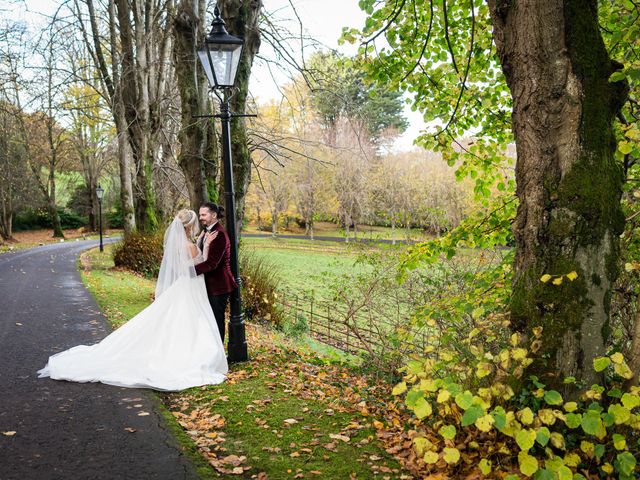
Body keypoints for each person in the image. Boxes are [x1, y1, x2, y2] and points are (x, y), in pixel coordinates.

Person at [37, 209, 228, 391]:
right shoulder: (190, 246)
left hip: (183, 286)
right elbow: (205, 262)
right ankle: (188, 354)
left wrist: (203, 240)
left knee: (176, 320)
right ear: (189, 226)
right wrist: (208, 243)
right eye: (195, 223)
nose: (197, 227)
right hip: (190, 287)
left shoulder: (179, 245)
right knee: (189, 320)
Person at [195, 202, 237, 343]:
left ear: (213, 215)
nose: (200, 217)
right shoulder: (207, 232)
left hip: (219, 286)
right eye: (200, 214)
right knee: (209, 320)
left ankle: (219, 356)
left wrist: (188, 271)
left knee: (217, 321)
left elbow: (212, 264)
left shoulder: (219, 234)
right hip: (208, 285)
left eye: (203, 214)